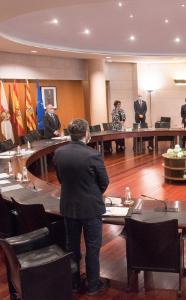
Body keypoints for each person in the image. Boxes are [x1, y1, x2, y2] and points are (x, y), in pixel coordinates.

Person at [54, 119, 110, 295]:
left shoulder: (59, 152)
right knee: (92, 248)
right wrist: (92, 194)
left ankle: (74, 283)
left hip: (69, 206)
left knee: (72, 247)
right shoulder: (93, 154)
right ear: (87, 133)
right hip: (91, 208)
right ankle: (93, 285)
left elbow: (61, 179)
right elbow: (104, 182)